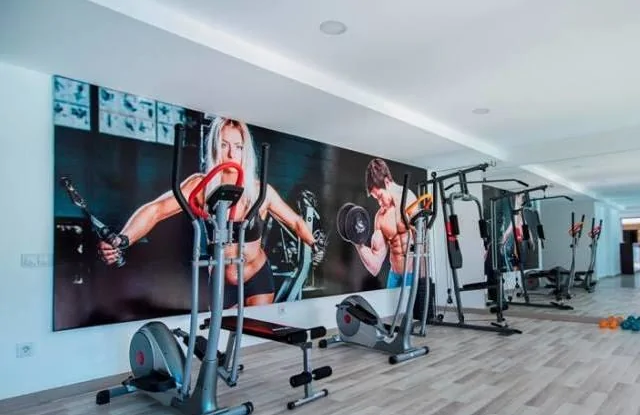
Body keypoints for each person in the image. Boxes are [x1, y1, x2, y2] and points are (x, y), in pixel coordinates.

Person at [98, 116, 325, 307]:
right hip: (221, 282)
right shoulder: (200, 186)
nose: (231, 154)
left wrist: (314, 245)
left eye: (238, 147)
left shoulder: (259, 190)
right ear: (215, 147)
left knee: (256, 336)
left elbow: (296, 222)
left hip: (257, 276)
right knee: (224, 337)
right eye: (224, 145)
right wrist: (123, 239)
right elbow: (156, 210)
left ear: (245, 151)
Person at [354, 158, 419, 288]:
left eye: (380, 196)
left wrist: (422, 277)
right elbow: (375, 266)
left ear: (387, 182)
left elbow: (422, 240)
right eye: (376, 199)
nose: (380, 203)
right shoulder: (380, 217)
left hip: (413, 274)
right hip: (393, 276)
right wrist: (357, 242)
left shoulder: (408, 198)